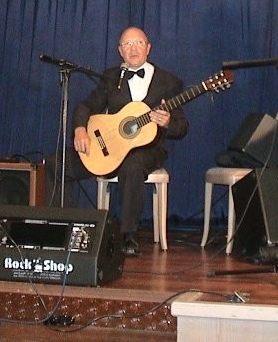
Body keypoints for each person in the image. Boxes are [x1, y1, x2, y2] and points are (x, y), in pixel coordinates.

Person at [46, 26, 189, 257]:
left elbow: (182, 128)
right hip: (109, 148)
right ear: (120, 51)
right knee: (56, 163)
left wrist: (168, 122)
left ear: (148, 48)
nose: (133, 48)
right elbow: (86, 105)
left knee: (132, 166)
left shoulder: (168, 82)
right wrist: (80, 129)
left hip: (148, 150)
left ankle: (128, 235)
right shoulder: (111, 77)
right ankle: (61, 229)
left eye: (139, 43)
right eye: (127, 44)